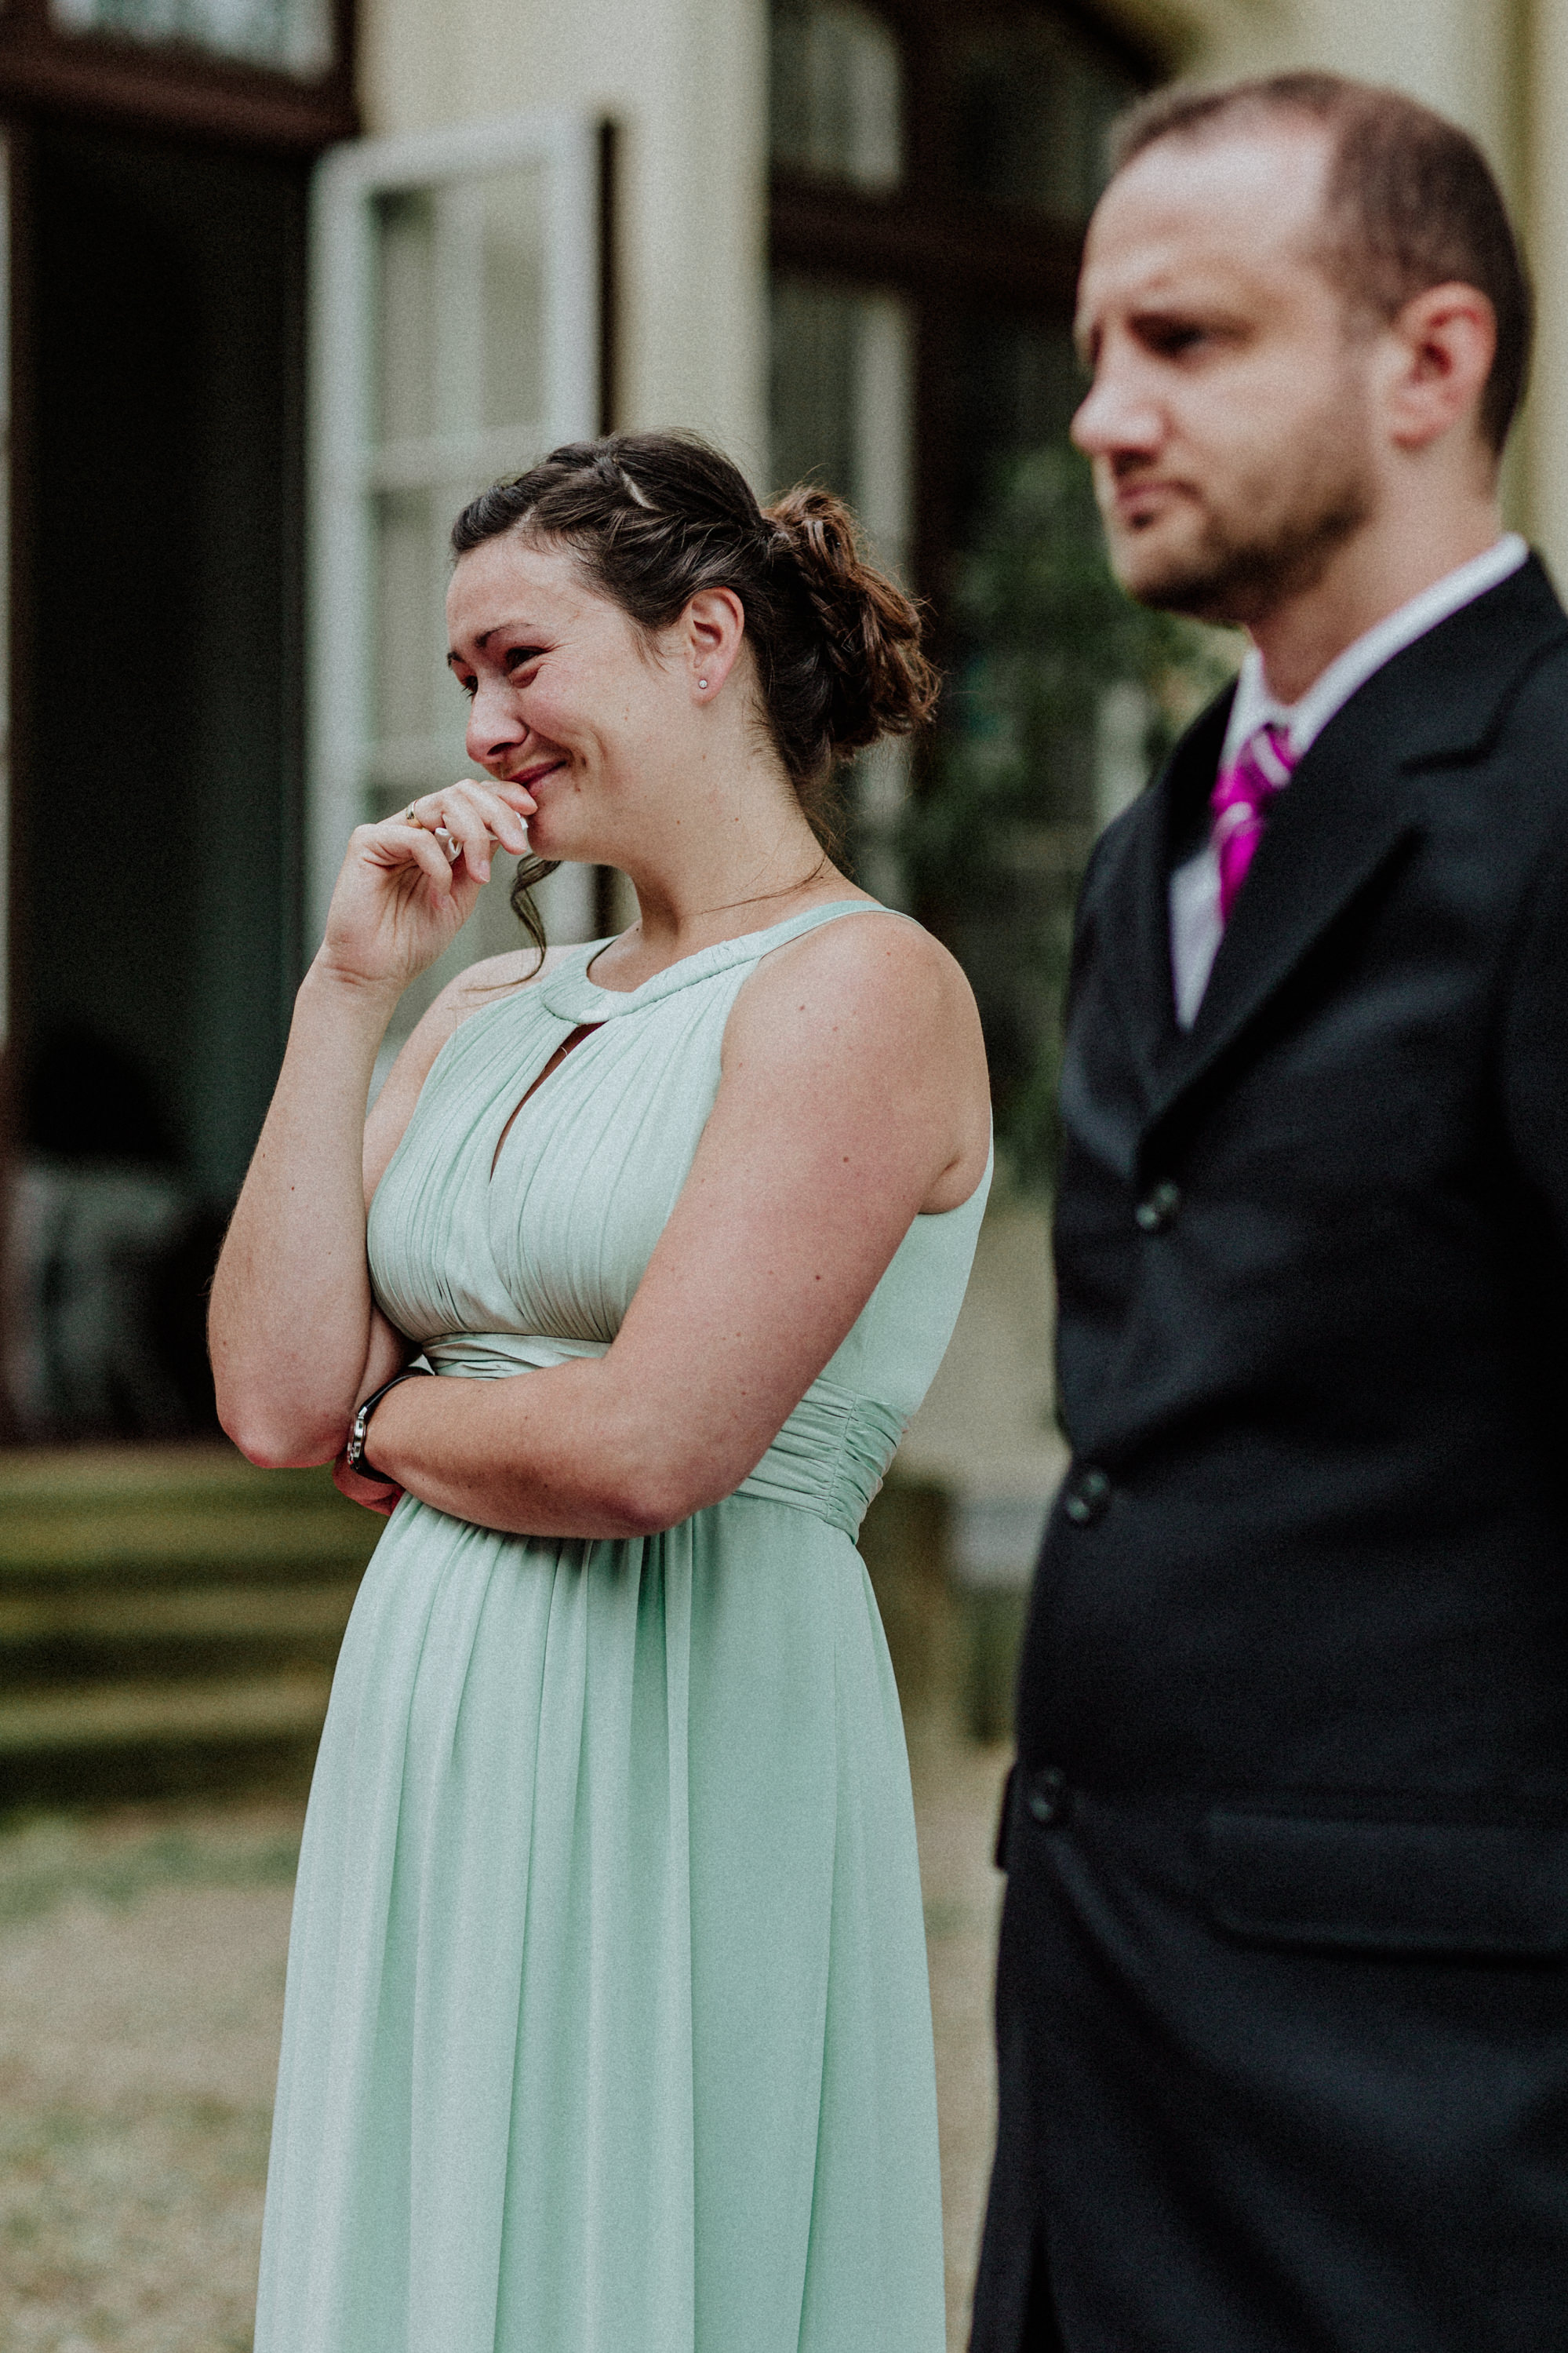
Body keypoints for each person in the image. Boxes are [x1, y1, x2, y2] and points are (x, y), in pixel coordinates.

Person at [209, 431, 991, 2353]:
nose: (480, 723)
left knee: (657, 2246)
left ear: (702, 637)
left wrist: (393, 1430)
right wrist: (347, 993)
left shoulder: (862, 992)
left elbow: (652, 1446)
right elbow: (266, 1390)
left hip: (694, 1705)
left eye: (518, 661)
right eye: (464, 679)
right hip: (434, 1716)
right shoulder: (484, 1009)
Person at [973, 73, 1568, 2353]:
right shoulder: (1155, 847)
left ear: (1432, 363)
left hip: (1441, 2128)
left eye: (1190, 344)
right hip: (1114, 2073)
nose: (1106, 417)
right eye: (1096, 351)